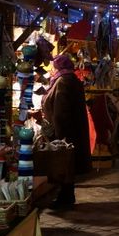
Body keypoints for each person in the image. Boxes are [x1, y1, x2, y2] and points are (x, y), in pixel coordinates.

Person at [41, 53, 90, 209]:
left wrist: (59, 134)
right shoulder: (70, 79)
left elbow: (61, 111)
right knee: (67, 164)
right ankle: (66, 195)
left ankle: (66, 197)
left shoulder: (63, 81)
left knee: (65, 163)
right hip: (69, 129)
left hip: (65, 131)